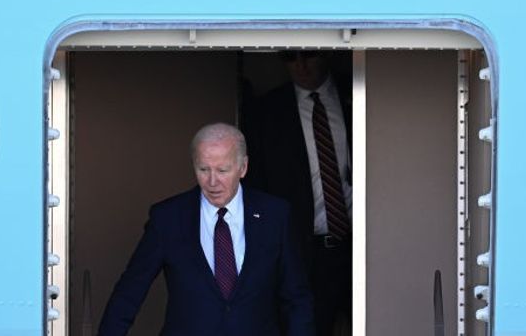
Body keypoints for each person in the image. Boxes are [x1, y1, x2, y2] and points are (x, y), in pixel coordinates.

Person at [98, 123, 314, 336]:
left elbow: (296, 297)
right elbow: (130, 292)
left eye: (222, 170)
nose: (212, 182)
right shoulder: (168, 218)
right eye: (203, 169)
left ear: (243, 167)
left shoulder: (275, 215)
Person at [244, 51, 352, 335]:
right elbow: (257, 188)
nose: (300, 66)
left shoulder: (359, 93)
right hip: (307, 253)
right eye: (290, 57)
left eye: (308, 55)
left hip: (363, 245)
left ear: (326, 53)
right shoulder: (267, 112)